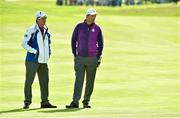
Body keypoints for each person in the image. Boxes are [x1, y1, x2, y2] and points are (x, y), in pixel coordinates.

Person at [66, 8, 104, 108]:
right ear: (87, 16)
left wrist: (98, 57)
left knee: (90, 81)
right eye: (92, 16)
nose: (93, 17)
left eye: (95, 16)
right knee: (79, 80)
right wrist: (75, 54)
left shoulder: (97, 28)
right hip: (80, 58)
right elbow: (73, 41)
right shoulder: (79, 27)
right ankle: (75, 102)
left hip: (92, 58)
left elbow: (100, 43)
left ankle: (86, 101)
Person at [22, 11, 57, 109]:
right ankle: (27, 102)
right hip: (32, 60)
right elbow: (24, 44)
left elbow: (48, 44)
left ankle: (45, 102)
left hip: (43, 61)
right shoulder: (31, 30)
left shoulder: (46, 30)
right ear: (37, 19)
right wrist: (34, 51)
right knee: (29, 81)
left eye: (45, 18)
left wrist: (49, 53)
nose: (44, 20)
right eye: (42, 18)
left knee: (45, 81)